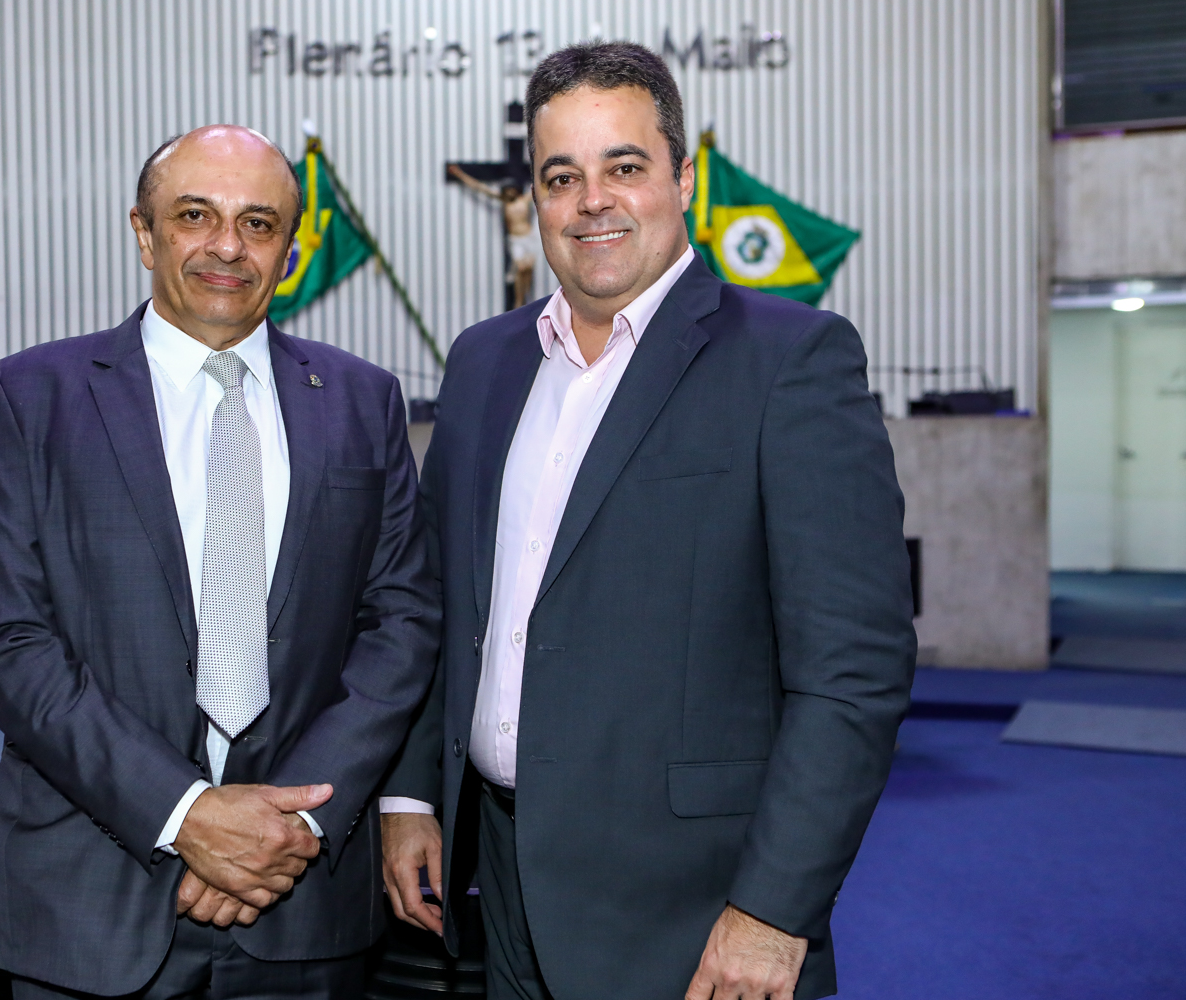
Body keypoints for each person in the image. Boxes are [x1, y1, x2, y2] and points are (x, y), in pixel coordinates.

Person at [380, 42, 915, 1000]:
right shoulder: (483, 363)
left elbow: (853, 675)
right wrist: (413, 791)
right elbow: (442, 604)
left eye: (623, 166)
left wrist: (773, 911)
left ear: (683, 178)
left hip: (695, 914)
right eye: (561, 176)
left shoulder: (792, 362)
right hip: (500, 878)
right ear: (536, 197)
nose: (593, 201)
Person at [0, 125, 439, 1000]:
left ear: (289, 252)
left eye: (259, 223)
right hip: (90, 903)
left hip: (303, 895)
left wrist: (286, 829)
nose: (227, 246)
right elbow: (9, 644)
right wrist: (186, 816)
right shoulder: (28, 398)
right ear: (145, 233)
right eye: (195, 216)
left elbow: (401, 624)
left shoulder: (364, 400)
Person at [448, 163, 541, 307]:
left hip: (528, 238)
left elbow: (540, 186)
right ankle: (518, 302)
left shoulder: (525, 200)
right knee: (520, 268)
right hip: (516, 239)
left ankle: (527, 299)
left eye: (511, 189)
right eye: (507, 189)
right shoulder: (504, 202)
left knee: (528, 269)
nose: (509, 192)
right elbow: (480, 187)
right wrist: (459, 174)